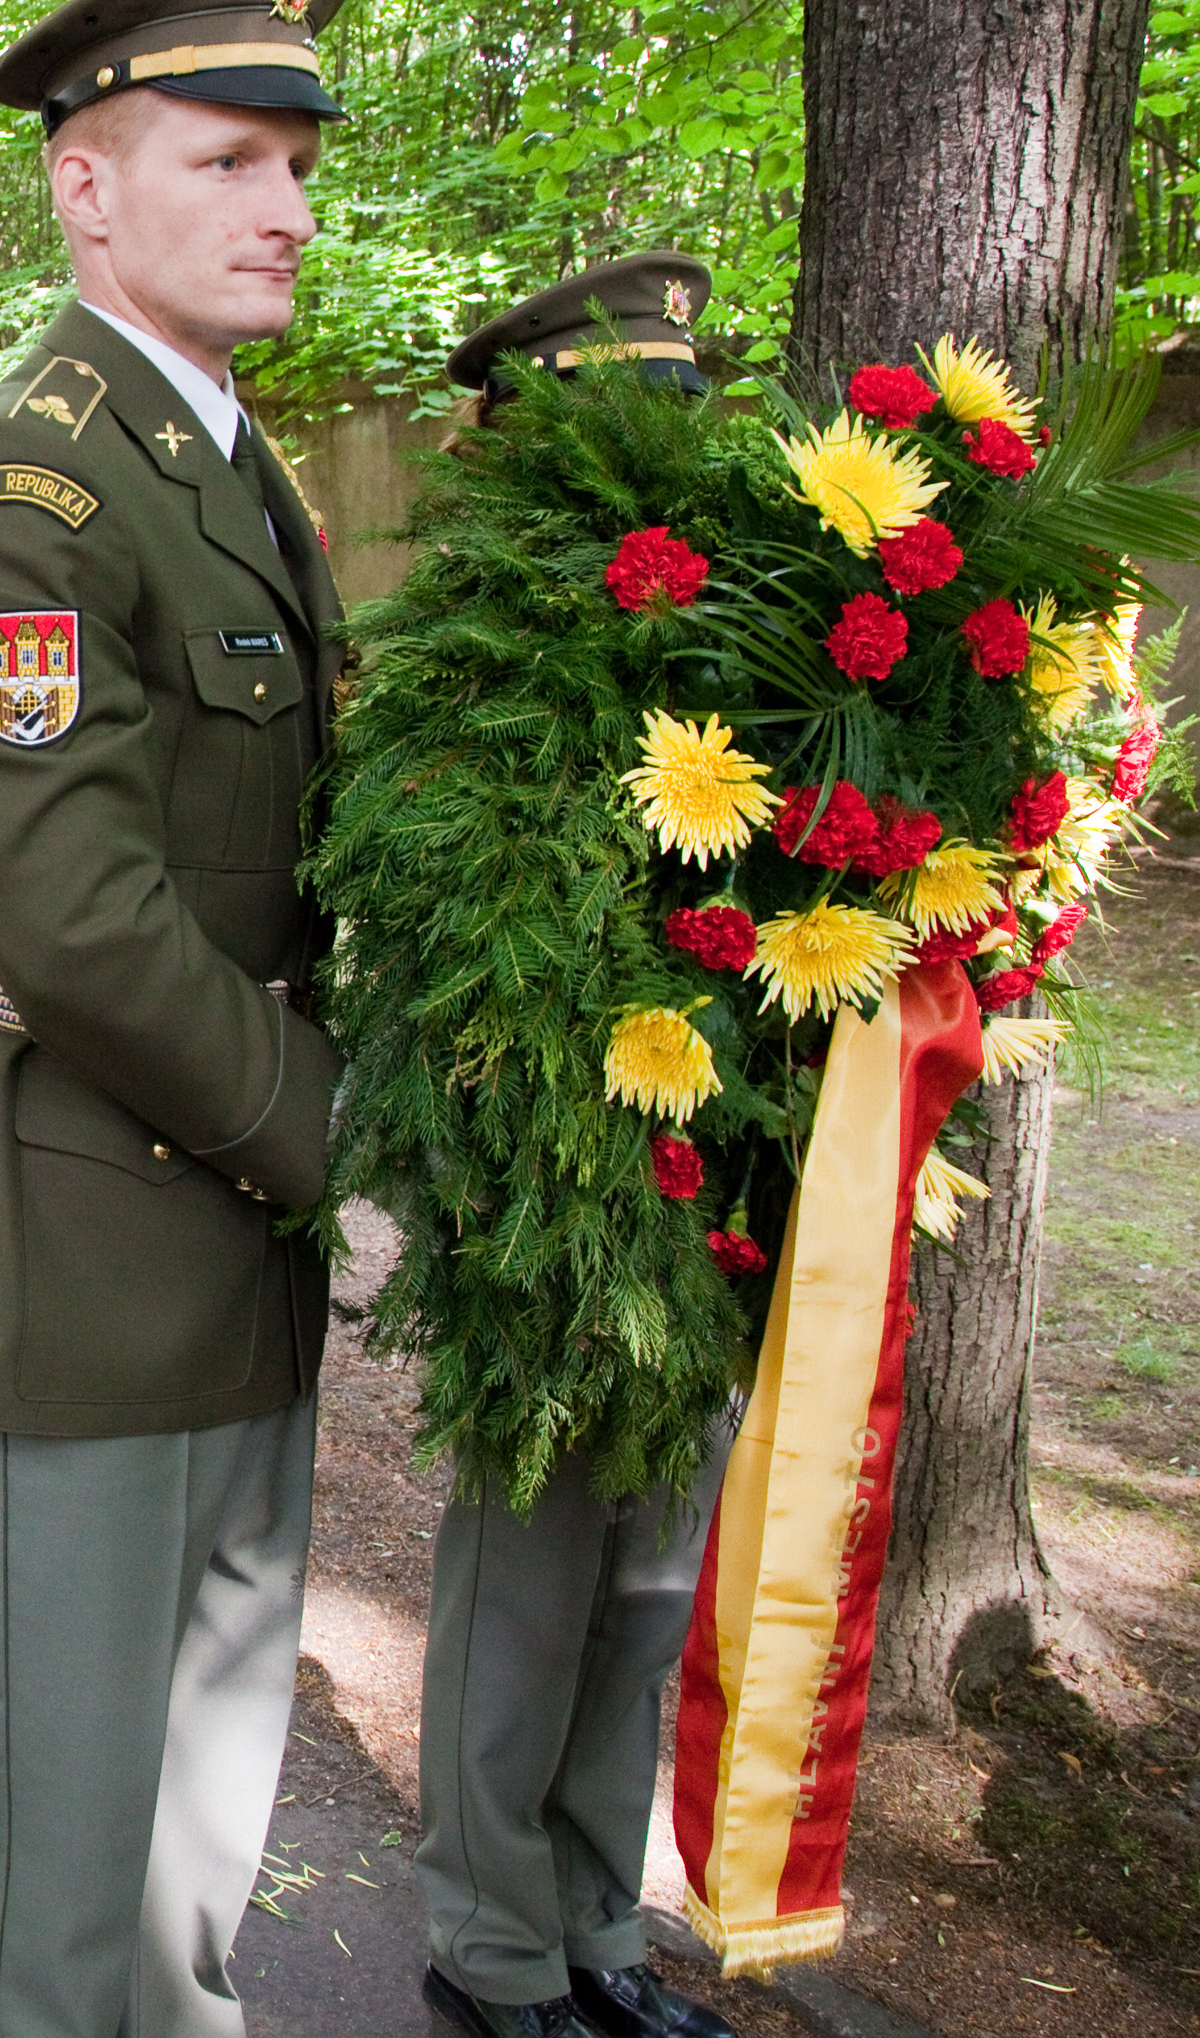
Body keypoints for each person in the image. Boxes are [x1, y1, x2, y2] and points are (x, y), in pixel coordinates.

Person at [0, 0, 352, 2038]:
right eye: (225, 160)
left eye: (293, 166)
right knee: (63, 1851)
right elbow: (77, 918)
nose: (283, 206)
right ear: (84, 184)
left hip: (231, 1233)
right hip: (95, 1228)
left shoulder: (233, 469)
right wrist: (344, 1147)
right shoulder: (24, 484)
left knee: (196, 1820)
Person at [407, 258, 737, 2038]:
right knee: (530, 1580)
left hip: (708, 1173)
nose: (655, 456)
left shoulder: (736, 626)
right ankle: (493, 1945)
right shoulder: (481, 636)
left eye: (676, 417)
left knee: (650, 1574)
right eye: (620, 420)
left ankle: (603, 1928)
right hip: (542, 1184)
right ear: (526, 430)